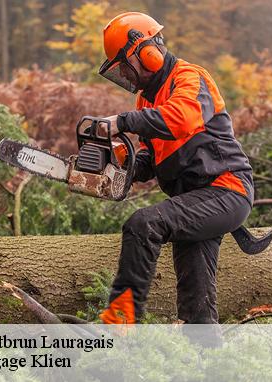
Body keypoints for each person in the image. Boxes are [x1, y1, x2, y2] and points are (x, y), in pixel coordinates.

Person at [97, 12, 254, 325]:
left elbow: (180, 119)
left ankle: (120, 323)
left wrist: (122, 122)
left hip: (226, 189)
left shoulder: (189, 77)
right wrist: (118, 166)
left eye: (125, 67)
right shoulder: (146, 101)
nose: (126, 76)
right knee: (196, 298)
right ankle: (206, 356)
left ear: (148, 53)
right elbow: (151, 159)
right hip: (196, 201)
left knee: (144, 224)